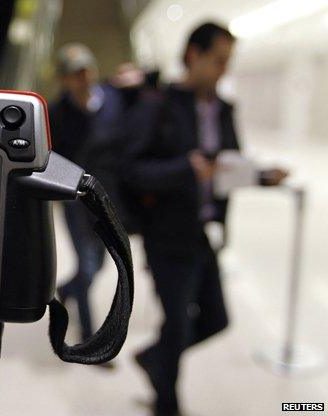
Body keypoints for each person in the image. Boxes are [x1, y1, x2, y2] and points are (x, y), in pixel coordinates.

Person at [124, 23, 286, 416]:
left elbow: (229, 164)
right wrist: (185, 169)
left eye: (228, 62)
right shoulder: (157, 105)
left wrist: (261, 175)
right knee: (177, 323)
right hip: (166, 235)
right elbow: (131, 170)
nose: (223, 70)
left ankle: (154, 359)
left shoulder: (225, 108)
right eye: (218, 61)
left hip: (202, 232)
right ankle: (168, 403)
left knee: (216, 318)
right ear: (193, 55)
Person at [49, 44, 131, 348]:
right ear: (64, 79)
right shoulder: (58, 113)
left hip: (108, 199)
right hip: (76, 201)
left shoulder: (112, 100)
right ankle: (89, 337)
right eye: (74, 74)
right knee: (86, 264)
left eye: (86, 71)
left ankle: (69, 290)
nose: (82, 78)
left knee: (99, 264)